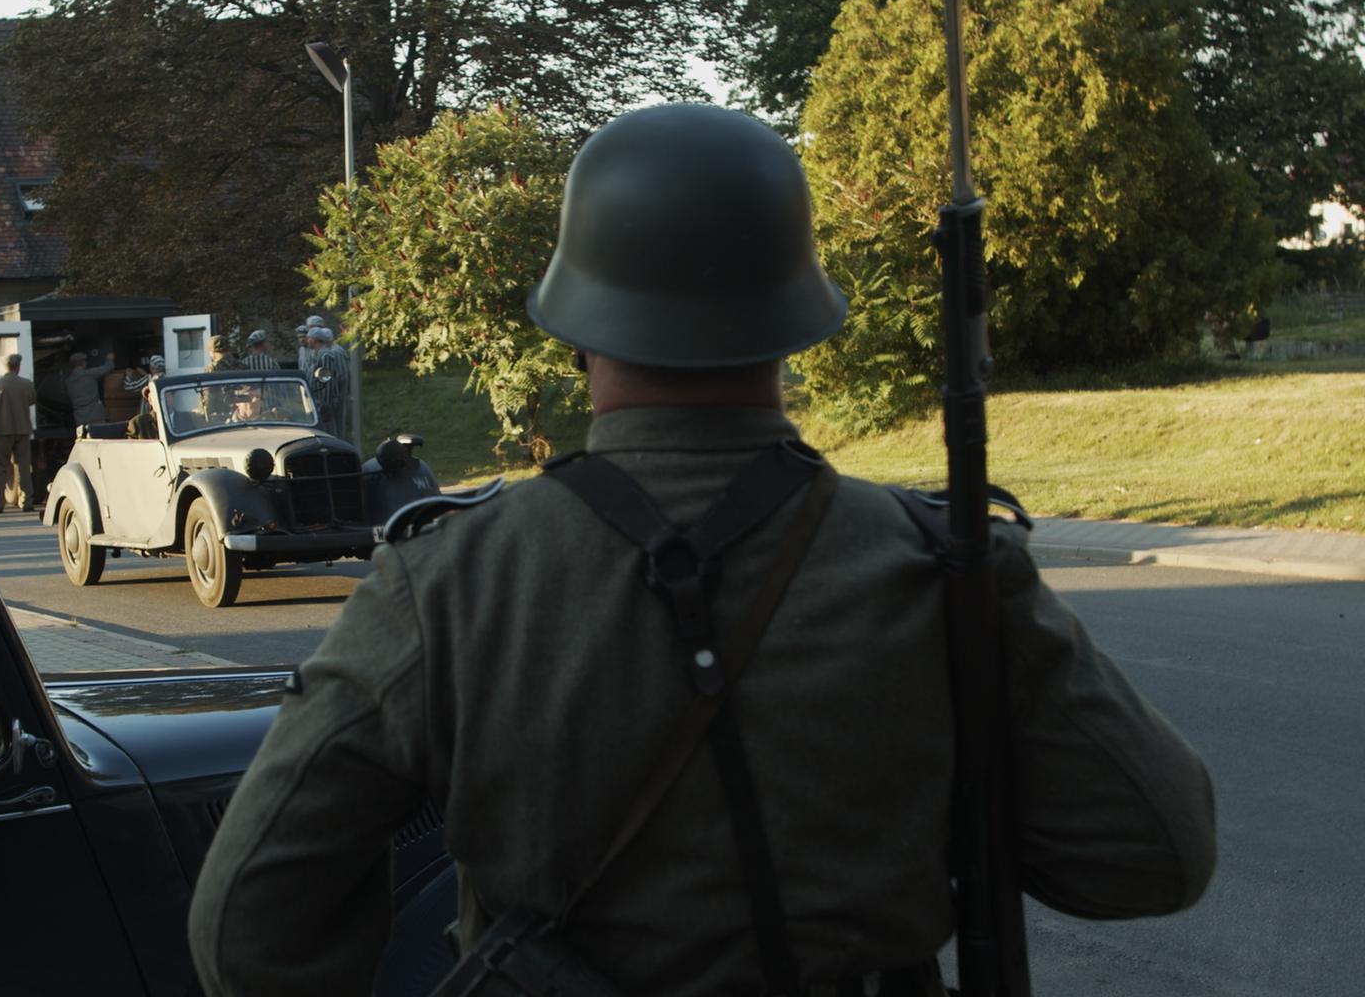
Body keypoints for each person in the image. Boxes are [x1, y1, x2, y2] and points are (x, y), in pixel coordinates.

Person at [187, 105, 1217, 996]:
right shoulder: (940, 564)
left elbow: (247, 924)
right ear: (794, 319)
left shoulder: (448, 583)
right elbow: (1154, 856)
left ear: (576, 323)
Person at [0, 352, 38, 514]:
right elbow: (32, 400)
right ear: (19, 367)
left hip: (2, 431)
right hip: (23, 430)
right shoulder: (27, 384)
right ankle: (26, 501)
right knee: (23, 467)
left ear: (5, 366)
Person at [306, 326, 351, 438]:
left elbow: (327, 381)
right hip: (318, 401)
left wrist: (325, 403)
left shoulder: (326, 356)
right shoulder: (318, 354)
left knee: (329, 431)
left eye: (309, 338)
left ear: (315, 340)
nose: (307, 340)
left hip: (325, 402)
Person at [65, 350, 118, 430]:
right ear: (84, 363)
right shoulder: (89, 374)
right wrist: (109, 359)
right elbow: (109, 367)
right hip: (95, 416)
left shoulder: (68, 381)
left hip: (79, 418)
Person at [294, 314, 326, 379]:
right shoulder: (301, 350)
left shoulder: (315, 349)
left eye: (304, 337)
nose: (302, 340)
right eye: (299, 337)